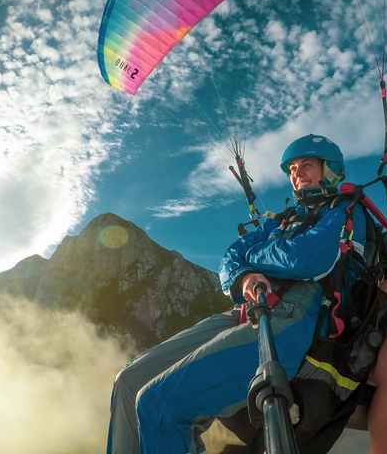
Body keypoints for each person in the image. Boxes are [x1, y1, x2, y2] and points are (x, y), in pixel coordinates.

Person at [106, 134, 367, 454]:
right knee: (128, 381)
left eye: (307, 164)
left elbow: (309, 258)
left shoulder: (344, 211)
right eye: (293, 168)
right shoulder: (282, 221)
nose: (297, 173)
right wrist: (242, 273)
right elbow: (229, 259)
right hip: (248, 312)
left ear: (331, 169)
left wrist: (254, 256)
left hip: (296, 317)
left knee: (159, 404)